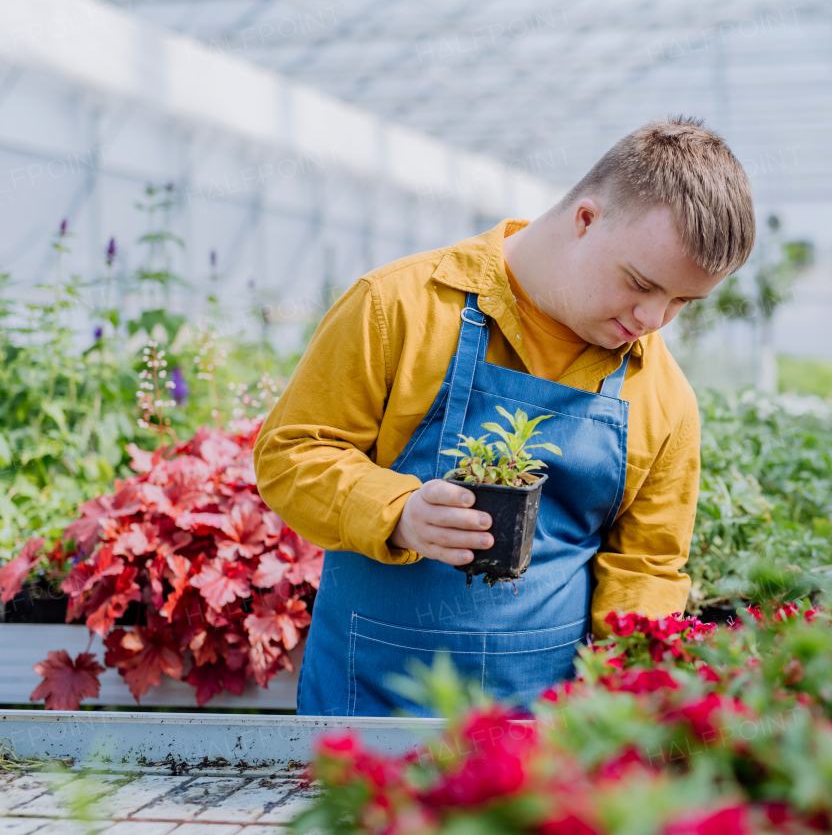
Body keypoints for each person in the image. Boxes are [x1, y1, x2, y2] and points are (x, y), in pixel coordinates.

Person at [253, 115, 755, 716]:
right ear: (586, 220)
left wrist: (631, 694)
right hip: (370, 704)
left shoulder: (662, 395)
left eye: (681, 301)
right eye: (641, 283)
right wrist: (399, 513)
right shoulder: (400, 307)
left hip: (543, 730)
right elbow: (292, 453)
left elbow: (645, 566)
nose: (653, 318)